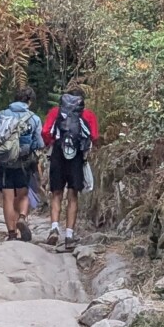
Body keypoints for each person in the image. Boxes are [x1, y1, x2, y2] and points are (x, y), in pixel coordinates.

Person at [41, 81, 99, 247]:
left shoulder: (55, 112)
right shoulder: (88, 115)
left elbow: (45, 132)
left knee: (56, 193)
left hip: (58, 154)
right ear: (82, 100)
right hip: (77, 157)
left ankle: (54, 229)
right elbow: (94, 136)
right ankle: (69, 235)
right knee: (73, 195)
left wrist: (51, 143)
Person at [0, 94, 44, 242]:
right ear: (29, 101)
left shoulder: (2, 115)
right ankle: (22, 218)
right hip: (24, 162)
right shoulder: (34, 118)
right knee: (24, 195)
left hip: (4, 162)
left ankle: (12, 234)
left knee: (7, 198)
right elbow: (39, 143)